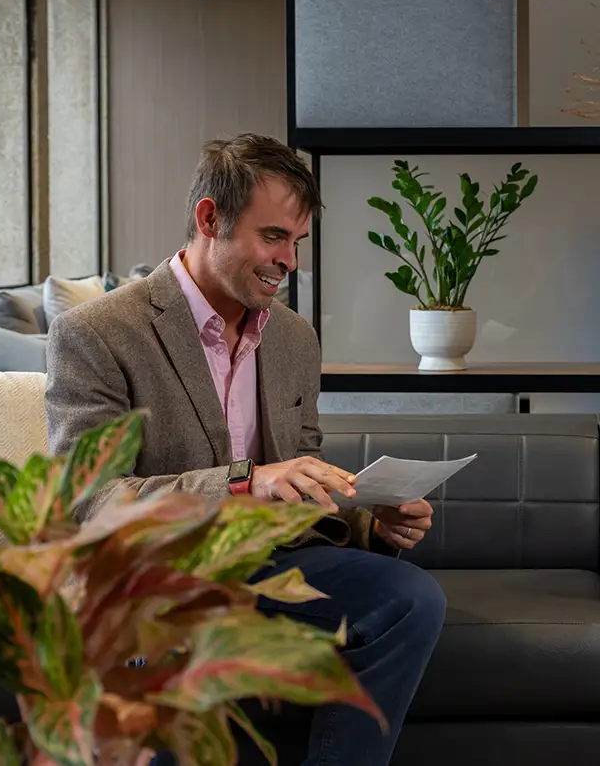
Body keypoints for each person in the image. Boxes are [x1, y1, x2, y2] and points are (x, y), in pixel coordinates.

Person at [44, 132, 446, 766]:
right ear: (211, 219)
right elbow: (90, 503)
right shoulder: (97, 333)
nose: (290, 261)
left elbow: (297, 478)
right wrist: (242, 482)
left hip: (271, 563)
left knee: (412, 599)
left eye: (297, 242)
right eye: (274, 237)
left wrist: (368, 519)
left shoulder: (294, 339)